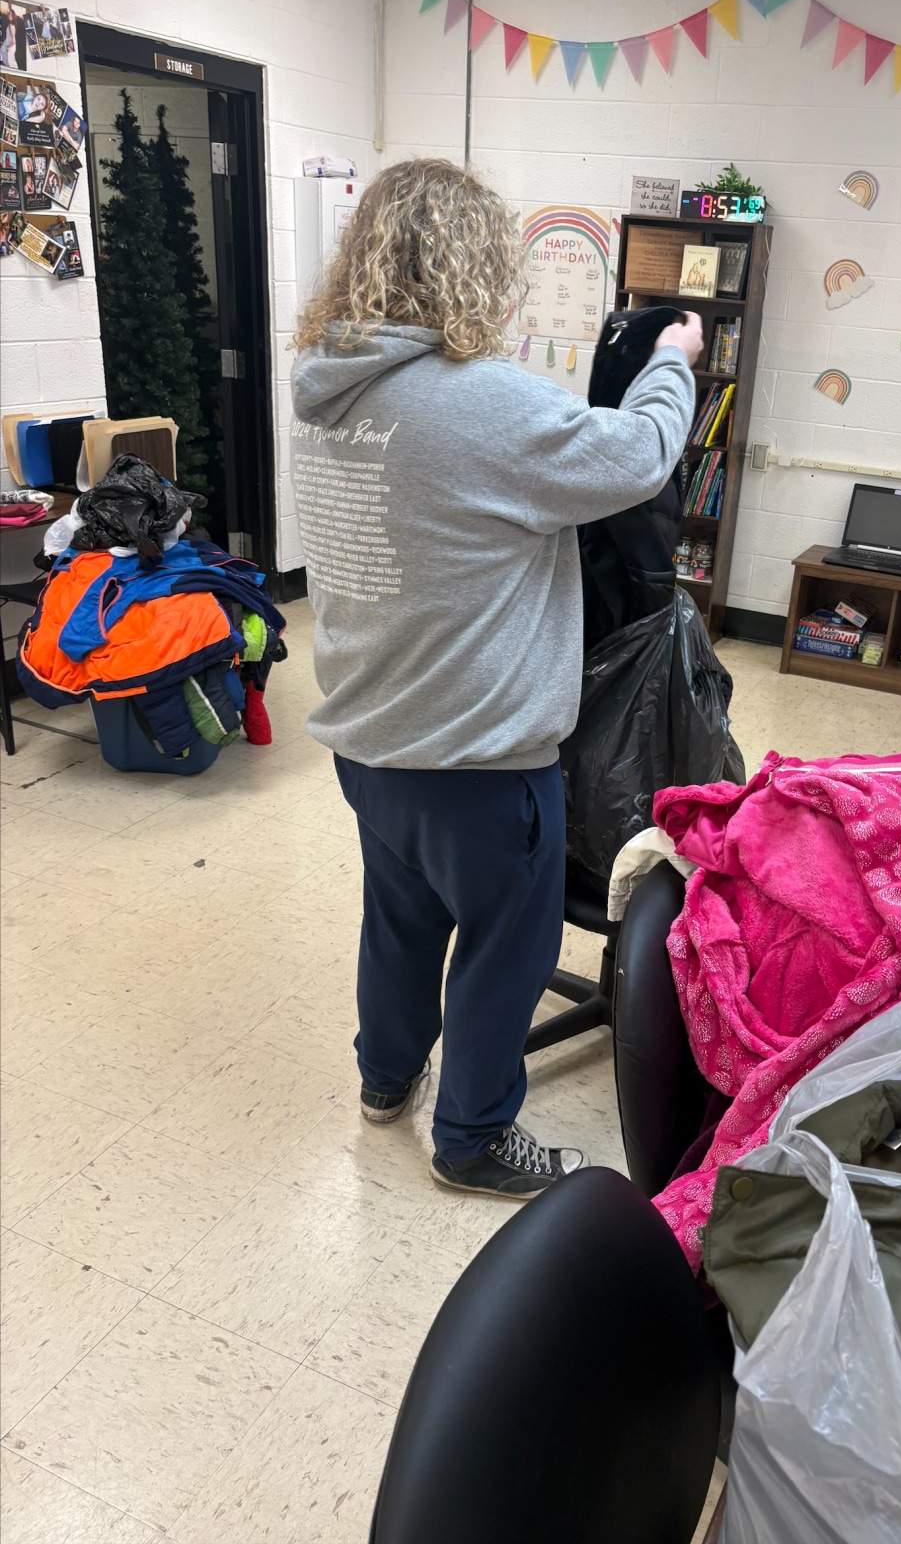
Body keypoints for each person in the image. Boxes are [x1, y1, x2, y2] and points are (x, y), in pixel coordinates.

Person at [290, 158, 702, 1201]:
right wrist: (673, 362)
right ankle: (471, 1136)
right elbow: (639, 456)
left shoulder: (328, 390)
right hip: (477, 757)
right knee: (505, 945)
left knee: (399, 919)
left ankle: (386, 1077)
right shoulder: (479, 402)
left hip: (370, 741)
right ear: (473, 266)